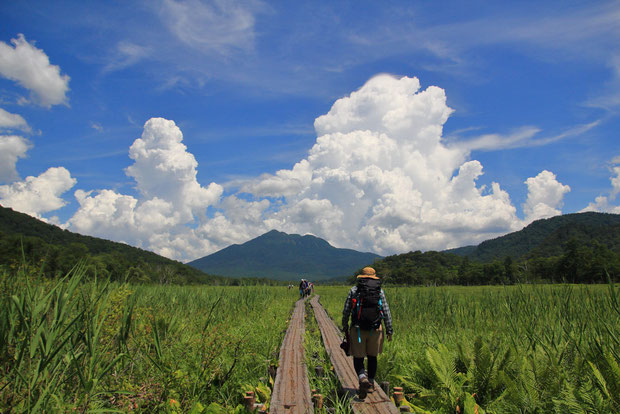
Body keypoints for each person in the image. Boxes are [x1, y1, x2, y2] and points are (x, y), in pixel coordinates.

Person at [342, 267, 393, 399]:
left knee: (358, 357)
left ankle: (362, 377)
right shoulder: (379, 291)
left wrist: (345, 326)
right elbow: (386, 311)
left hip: (357, 330)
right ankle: (370, 382)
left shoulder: (354, 290)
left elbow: (346, 310)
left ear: (362, 277)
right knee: (372, 356)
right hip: (375, 330)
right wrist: (389, 330)